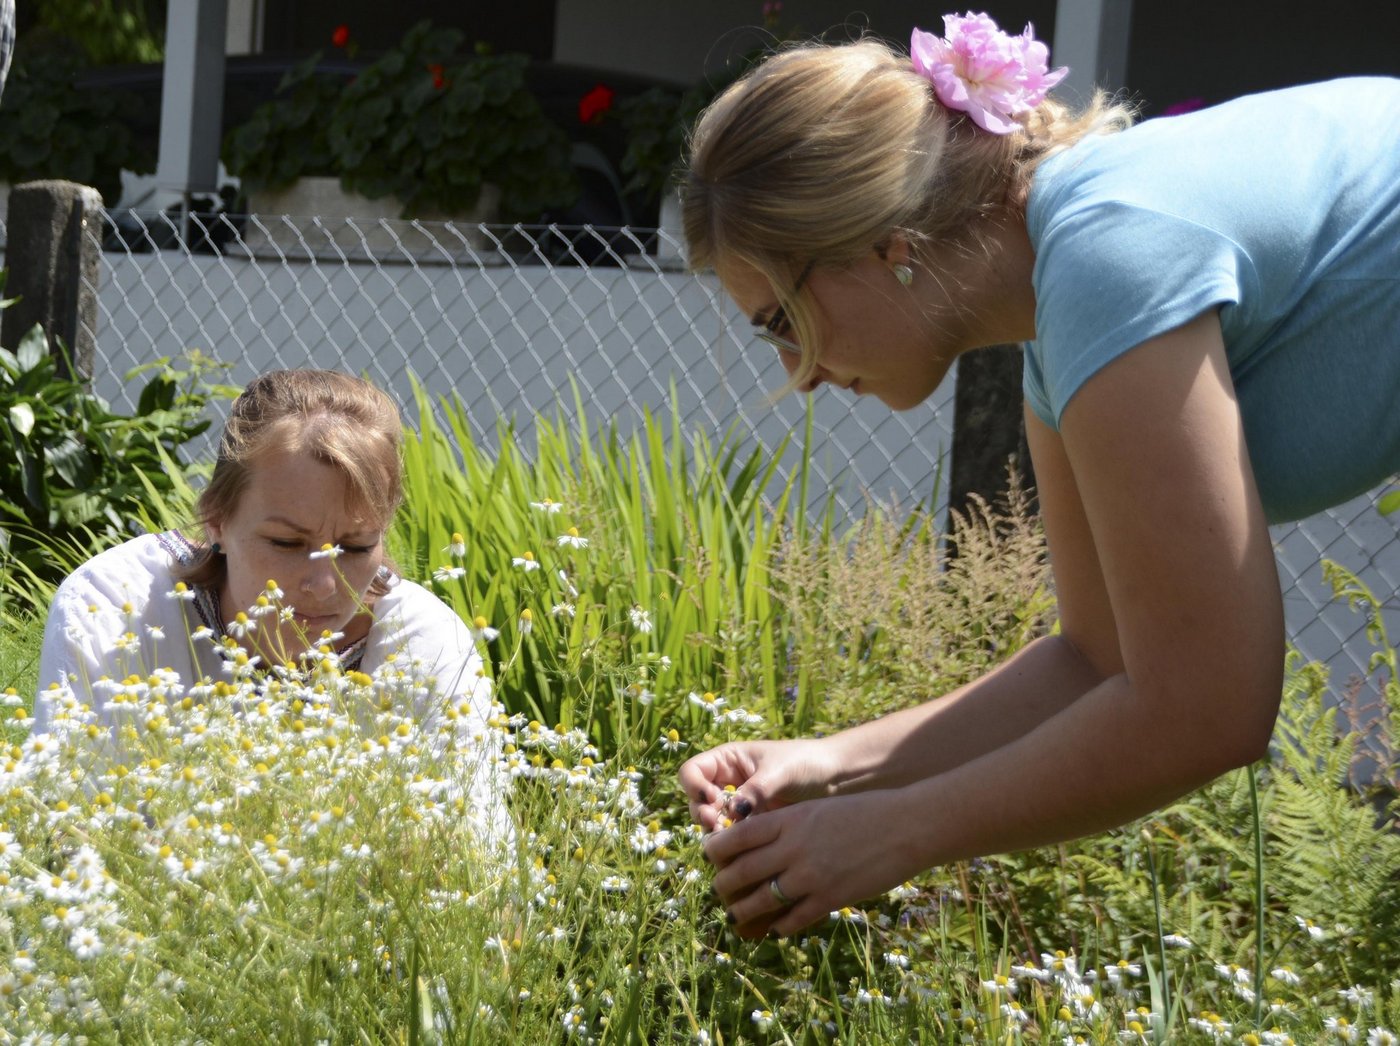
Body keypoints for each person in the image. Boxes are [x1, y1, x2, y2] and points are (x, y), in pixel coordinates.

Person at [676, 12, 1400, 938]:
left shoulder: (1107, 257)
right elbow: (1098, 658)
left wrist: (889, 834)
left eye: (781, 321)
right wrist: (830, 765)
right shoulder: (1068, 306)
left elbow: (1207, 707)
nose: (799, 372)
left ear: (886, 246)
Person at [36, 368, 509, 839]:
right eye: (286, 542)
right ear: (216, 519)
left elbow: (480, 864)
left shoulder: (424, 644)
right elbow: (71, 828)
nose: (325, 584)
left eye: (358, 545)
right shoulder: (115, 603)